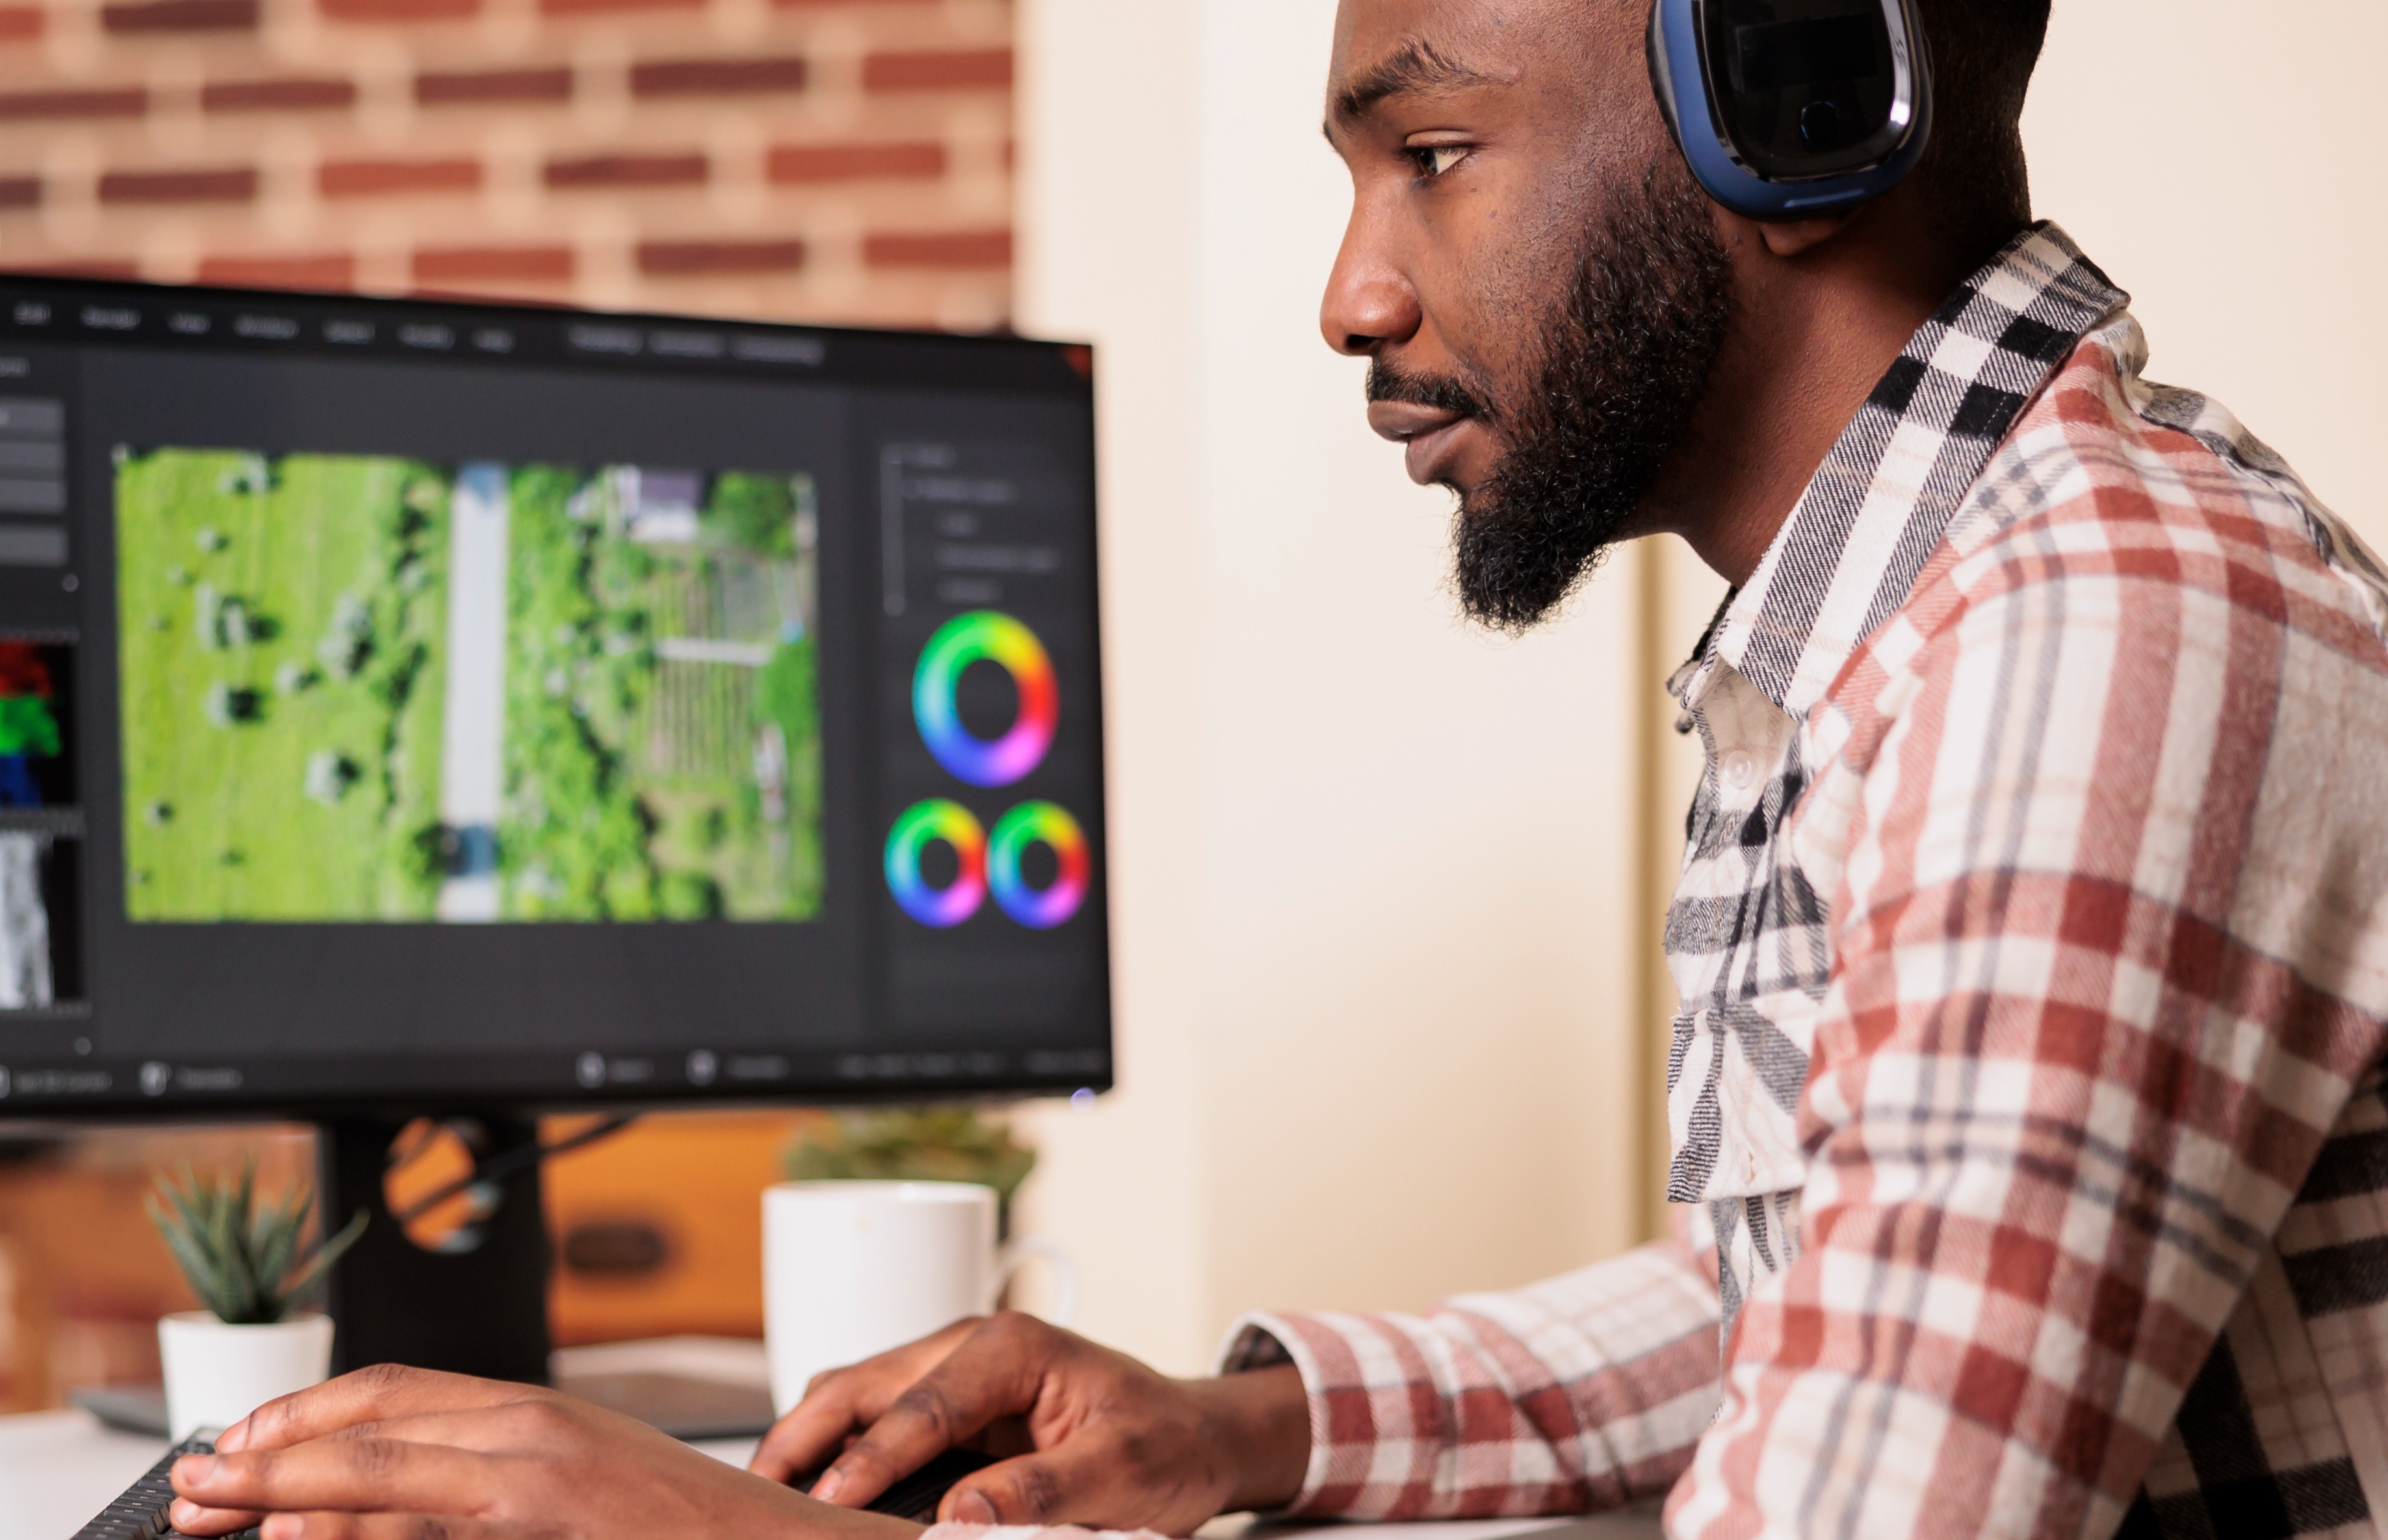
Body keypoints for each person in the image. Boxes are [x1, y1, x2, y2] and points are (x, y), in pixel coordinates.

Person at [157, 1, 2388, 1537]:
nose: (1346, 293)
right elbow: (1832, 1285)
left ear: (1788, 109)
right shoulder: (1926, 594)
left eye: (1428, 157)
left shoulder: (2093, 635)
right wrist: (1236, 1421)